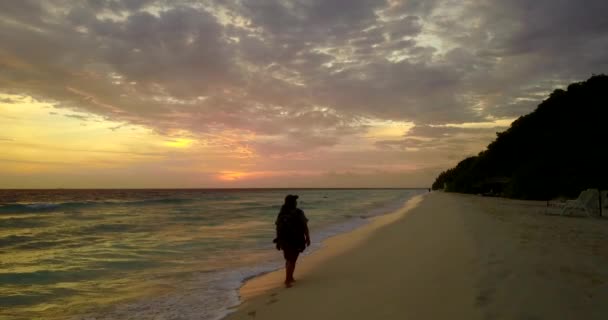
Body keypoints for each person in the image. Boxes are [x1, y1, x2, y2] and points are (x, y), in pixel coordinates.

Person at [273, 194, 310, 287]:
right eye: (295, 201)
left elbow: (278, 228)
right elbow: (305, 226)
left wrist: (278, 241)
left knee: (289, 259)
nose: (296, 202)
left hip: (284, 240)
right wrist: (308, 237)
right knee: (292, 259)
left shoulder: (282, 213)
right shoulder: (298, 212)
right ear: (293, 202)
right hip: (296, 239)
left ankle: (290, 277)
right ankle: (287, 280)